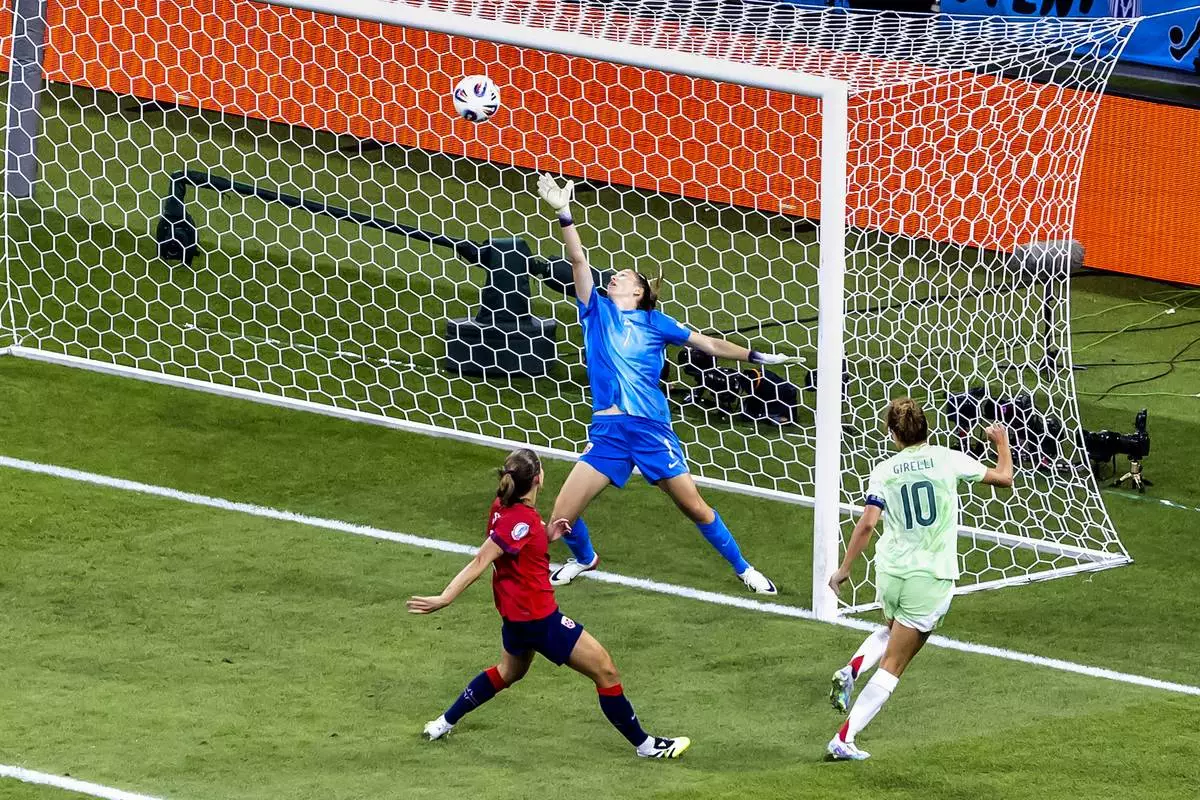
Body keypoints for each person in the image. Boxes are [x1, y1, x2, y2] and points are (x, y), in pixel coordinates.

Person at [535, 173, 801, 595]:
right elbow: (579, 262)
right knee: (561, 519)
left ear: (639, 291)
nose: (615, 278)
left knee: (694, 507)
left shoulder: (656, 323)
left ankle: (744, 568)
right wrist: (565, 214)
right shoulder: (596, 312)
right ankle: (584, 558)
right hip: (607, 433)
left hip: (650, 430)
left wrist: (756, 356)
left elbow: (708, 342)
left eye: (623, 276)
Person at [407, 447, 691, 759]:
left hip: (514, 618)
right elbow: (481, 560)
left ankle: (442, 723)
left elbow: (518, 544)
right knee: (606, 671)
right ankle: (646, 746)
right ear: (539, 478)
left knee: (507, 672)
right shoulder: (522, 521)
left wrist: (548, 534)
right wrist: (444, 597)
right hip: (539, 619)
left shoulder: (503, 508)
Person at [824, 397, 1013, 761]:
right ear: (926, 427)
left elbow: (867, 524)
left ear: (893, 434)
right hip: (930, 576)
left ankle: (852, 669)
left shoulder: (884, 470)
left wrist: (844, 569)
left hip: (892, 572)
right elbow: (1003, 478)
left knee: (895, 628)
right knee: (895, 663)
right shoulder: (946, 458)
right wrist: (1001, 444)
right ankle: (843, 738)